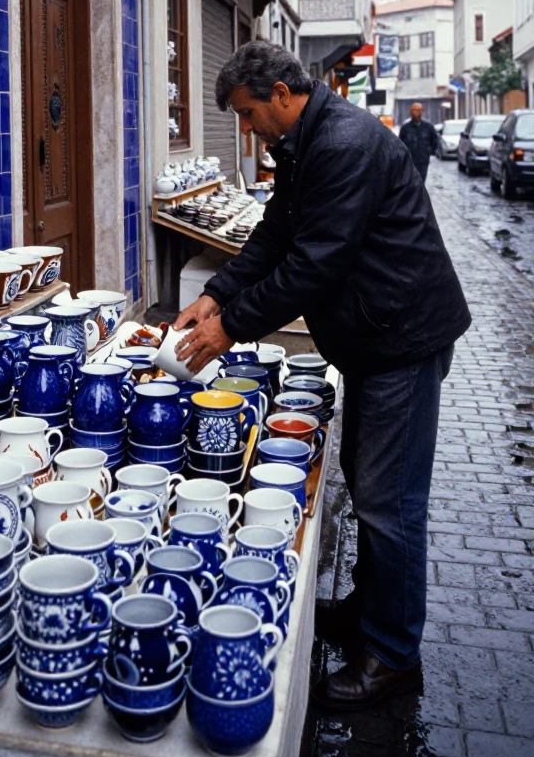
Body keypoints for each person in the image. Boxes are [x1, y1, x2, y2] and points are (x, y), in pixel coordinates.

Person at [173, 42, 470, 709]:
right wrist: (216, 295)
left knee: (390, 503)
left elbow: (314, 265)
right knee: (368, 485)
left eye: (248, 114)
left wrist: (230, 327)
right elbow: (275, 235)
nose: (247, 128)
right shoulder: (303, 143)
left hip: (401, 338)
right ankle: (370, 612)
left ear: (281, 93)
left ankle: (393, 655)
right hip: (374, 338)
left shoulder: (343, 144)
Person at [398, 102, 439, 183]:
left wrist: (430, 151)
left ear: (421, 112)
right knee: (412, 180)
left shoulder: (428, 127)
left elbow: (434, 140)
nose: (415, 113)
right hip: (410, 159)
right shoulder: (405, 128)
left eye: (417, 111)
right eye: (413, 111)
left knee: (421, 179)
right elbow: (400, 143)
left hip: (423, 159)